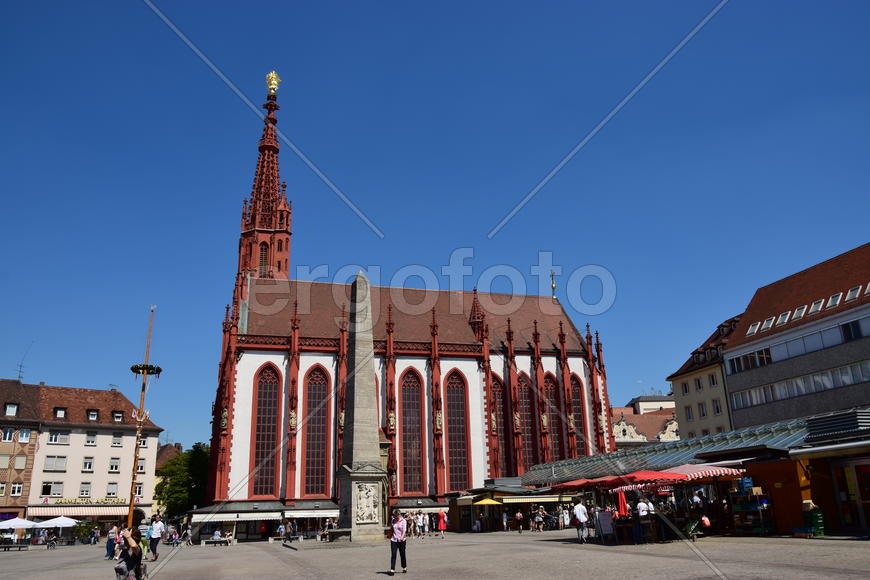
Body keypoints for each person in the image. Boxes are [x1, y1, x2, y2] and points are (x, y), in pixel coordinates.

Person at [388, 509, 408, 576]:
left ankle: (404, 567)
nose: (395, 517)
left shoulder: (403, 521)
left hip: (401, 540)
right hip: (394, 540)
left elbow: (404, 530)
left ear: (399, 515)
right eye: (394, 515)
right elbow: (392, 528)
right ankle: (392, 569)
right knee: (393, 554)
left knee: (402, 554)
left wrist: (402, 536)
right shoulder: (393, 520)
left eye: (396, 516)